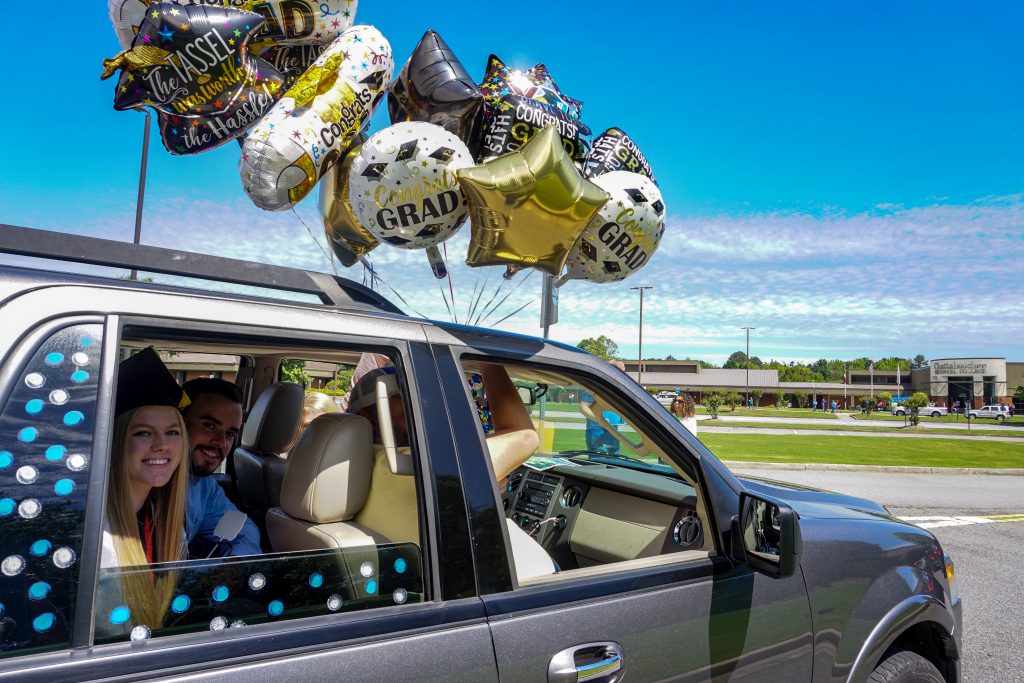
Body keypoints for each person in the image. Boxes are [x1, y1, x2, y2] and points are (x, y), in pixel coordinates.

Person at [101, 347, 190, 628]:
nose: (162, 444)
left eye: (172, 432)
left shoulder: (163, 519)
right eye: (143, 432)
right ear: (116, 441)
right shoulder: (99, 536)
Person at [180, 377, 262, 557]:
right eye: (209, 425)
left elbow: (243, 528)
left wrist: (233, 567)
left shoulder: (203, 486)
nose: (221, 442)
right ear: (179, 422)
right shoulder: (141, 485)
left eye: (231, 434)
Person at [578, 359, 627, 455]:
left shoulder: (613, 387)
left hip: (613, 431)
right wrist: (600, 420)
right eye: (619, 373)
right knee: (599, 465)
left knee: (616, 465)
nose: (621, 376)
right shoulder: (594, 385)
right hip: (597, 433)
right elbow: (583, 408)